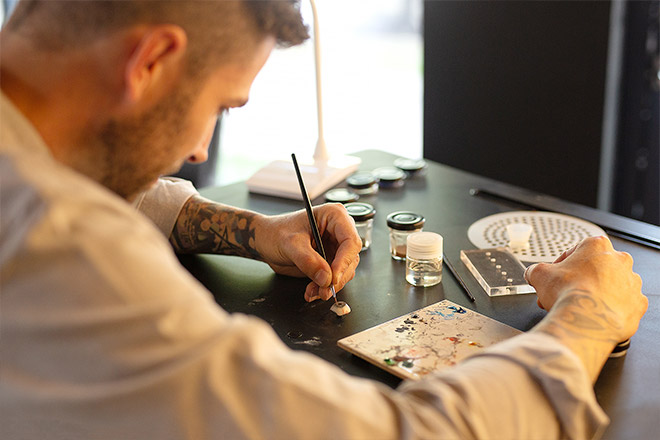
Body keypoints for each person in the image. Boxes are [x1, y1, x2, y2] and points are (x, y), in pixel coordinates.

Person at [0, 1, 647, 439]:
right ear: (149, 63)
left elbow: (72, 181)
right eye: (221, 105)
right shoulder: (70, 253)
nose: (199, 151)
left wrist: (252, 231)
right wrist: (587, 313)